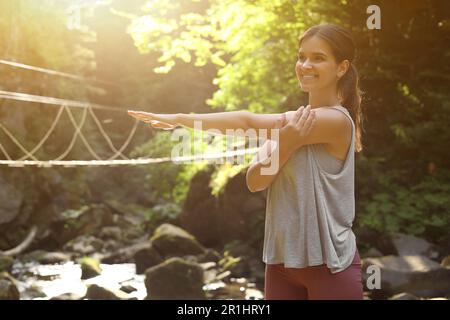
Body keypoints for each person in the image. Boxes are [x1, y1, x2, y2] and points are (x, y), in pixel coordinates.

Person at [128, 23, 364, 300]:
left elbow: (247, 121)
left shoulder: (334, 120)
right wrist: (285, 145)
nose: (305, 64)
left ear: (342, 67)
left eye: (318, 58)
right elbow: (255, 181)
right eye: (302, 56)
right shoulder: (290, 125)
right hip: (281, 265)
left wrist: (181, 119)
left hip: (329, 265)